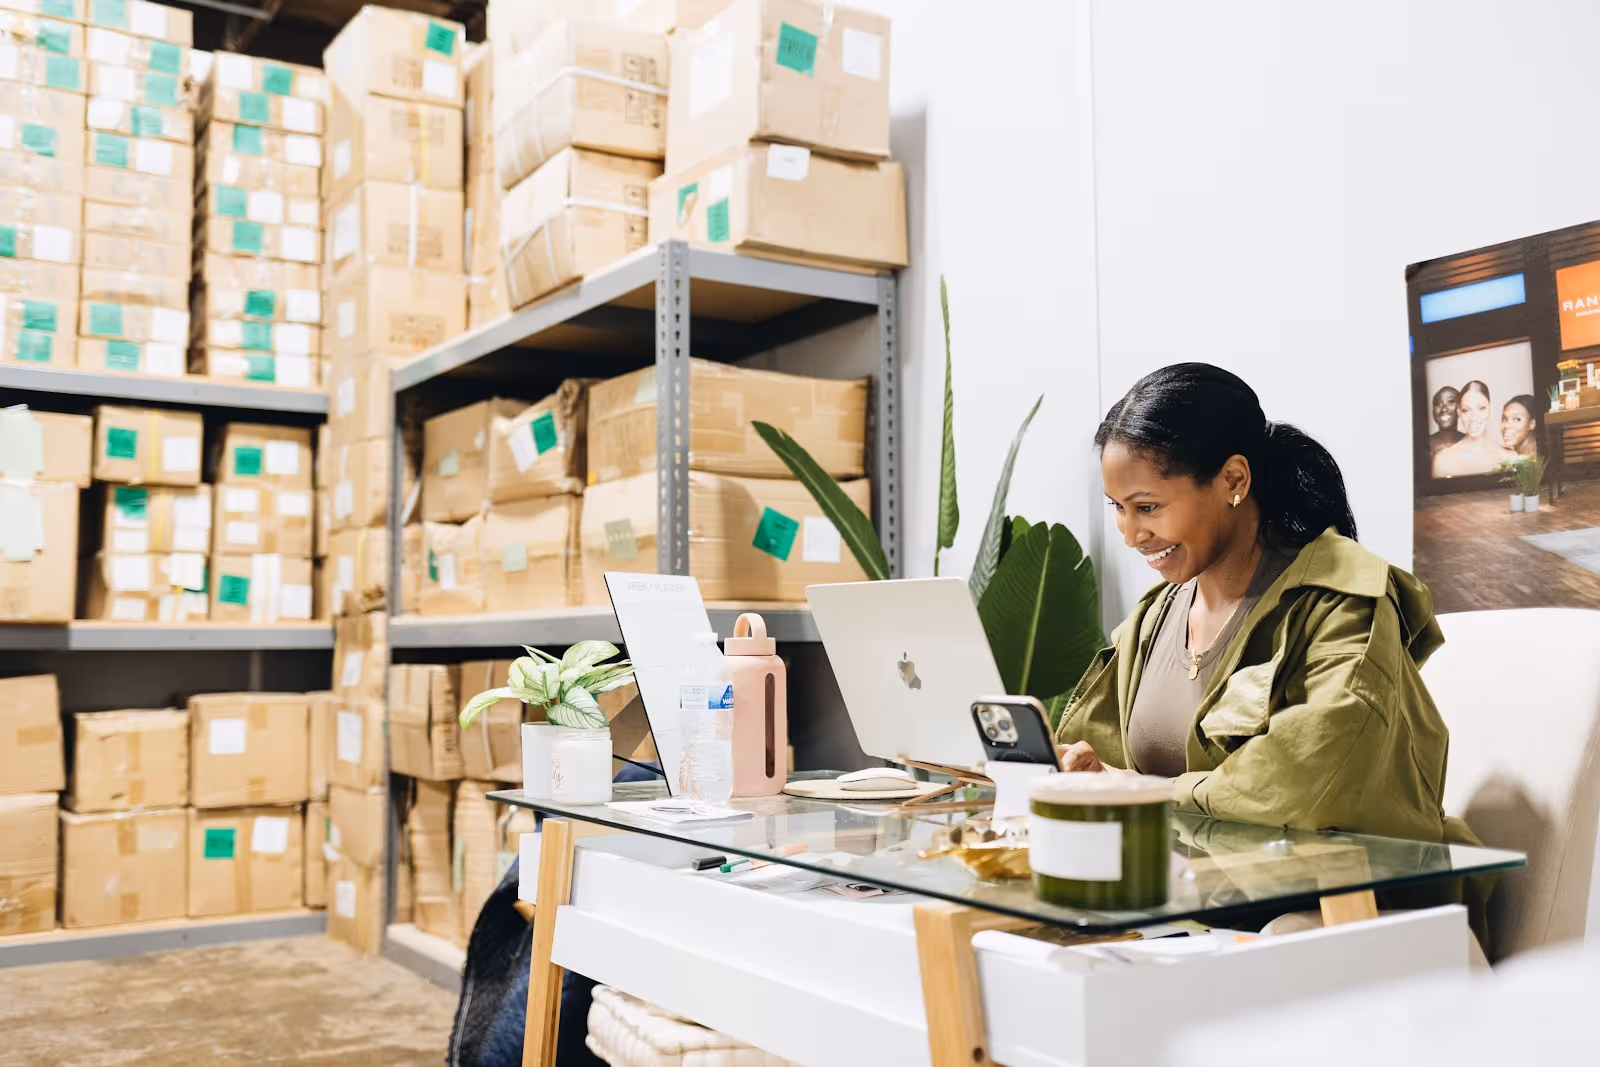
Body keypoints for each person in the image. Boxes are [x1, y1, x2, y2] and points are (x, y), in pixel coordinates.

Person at [1057, 363, 1474, 852]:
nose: (1130, 535)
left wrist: (1142, 793)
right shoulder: (1154, 617)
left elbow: (1307, 784)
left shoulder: (1344, 602)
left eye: (1147, 507)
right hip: (1184, 911)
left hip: (1331, 911)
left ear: (1233, 479)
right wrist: (1077, 774)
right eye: (1117, 509)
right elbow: (1110, 775)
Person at [1433, 380, 1513, 477]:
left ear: (1490, 408)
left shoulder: (1509, 457)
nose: (1474, 417)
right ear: (1459, 413)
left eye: (1481, 408)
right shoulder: (1443, 460)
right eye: (1466, 410)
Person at [1428, 385, 1464, 454]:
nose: (1444, 409)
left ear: (1461, 407)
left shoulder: (1472, 443)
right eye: (1437, 404)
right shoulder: (1423, 445)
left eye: (1450, 401)